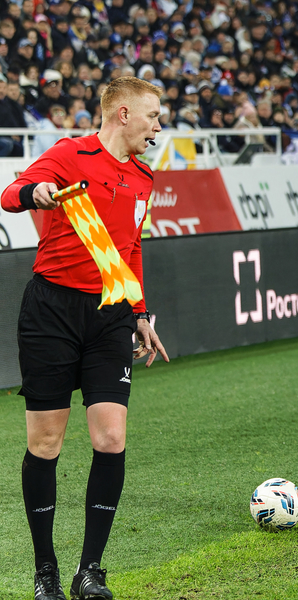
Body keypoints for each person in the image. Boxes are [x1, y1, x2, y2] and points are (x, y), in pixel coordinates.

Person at [0, 76, 169, 600]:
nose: (158, 126)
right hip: (51, 312)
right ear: (123, 113)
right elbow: (9, 196)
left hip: (110, 316)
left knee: (111, 438)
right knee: (45, 443)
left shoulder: (144, 177)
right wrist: (35, 192)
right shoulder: (69, 154)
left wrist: (139, 312)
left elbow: (131, 249)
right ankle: (45, 572)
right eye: (153, 116)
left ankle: (90, 571)